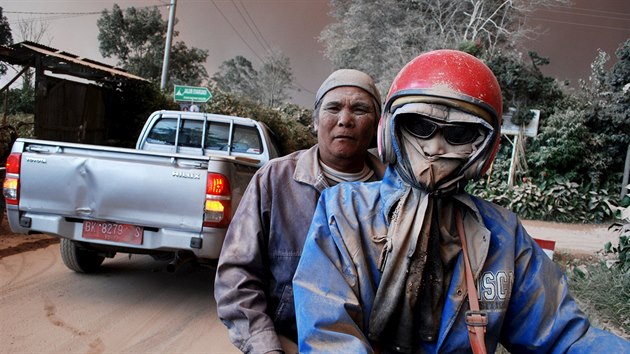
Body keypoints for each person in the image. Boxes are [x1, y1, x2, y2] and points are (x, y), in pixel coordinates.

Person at [293, 50, 630, 353]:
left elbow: (564, 337)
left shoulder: (502, 235)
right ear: (390, 132)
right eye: (421, 126)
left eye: (458, 134)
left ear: (485, 149)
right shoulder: (344, 211)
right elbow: (329, 336)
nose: (436, 148)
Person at [214, 69, 386, 354]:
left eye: (360, 109)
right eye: (333, 108)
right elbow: (236, 275)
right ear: (315, 121)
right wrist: (267, 346)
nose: (345, 119)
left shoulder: (394, 193)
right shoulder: (274, 180)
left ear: (377, 125)